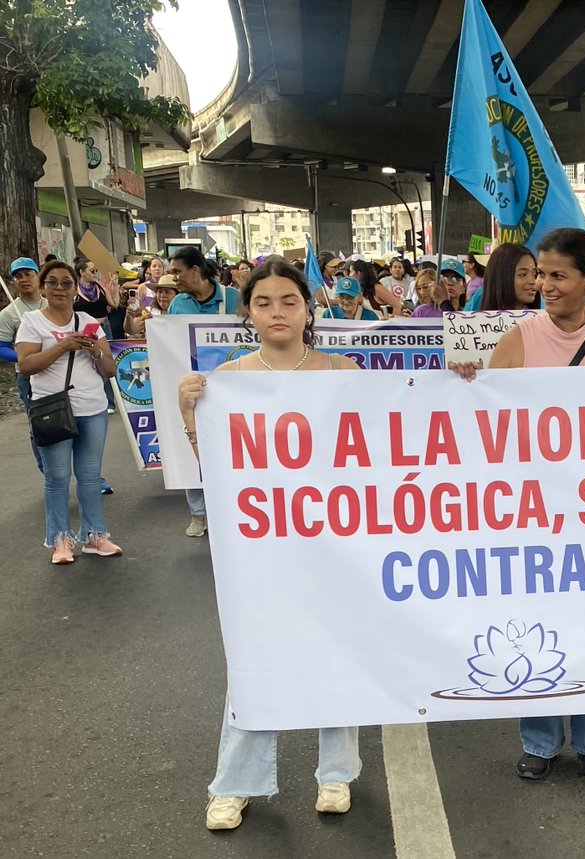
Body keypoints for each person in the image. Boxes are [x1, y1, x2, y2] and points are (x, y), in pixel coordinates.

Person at [449, 228, 585, 782]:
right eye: (540, 274)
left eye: (559, 275)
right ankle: (539, 741)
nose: (545, 285)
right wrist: (468, 380)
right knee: (531, 623)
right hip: (531, 514)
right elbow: (484, 419)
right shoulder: (518, 339)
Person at [178, 260, 361, 832]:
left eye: (288, 300)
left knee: (339, 654)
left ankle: (336, 774)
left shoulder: (344, 371)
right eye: (263, 303)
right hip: (261, 552)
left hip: (336, 545)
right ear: (247, 312)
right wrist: (191, 412)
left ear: (309, 308)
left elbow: (384, 452)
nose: (277, 312)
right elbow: (218, 471)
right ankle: (234, 784)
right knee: (254, 662)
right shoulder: (227, 380)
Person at [15, 261, 122, 565]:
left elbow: (110, 370)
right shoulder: (32, 322)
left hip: (92, 408)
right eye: (53, 283)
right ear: (43, 287)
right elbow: (26, 365)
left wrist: (95, 351)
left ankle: (95, 535)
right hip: (52, 408)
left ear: (76, 289)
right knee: (57, 477)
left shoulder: (88, 320)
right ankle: (60, 540)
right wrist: (63, 347)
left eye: (66, 283)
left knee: (89, 477)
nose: (60, 288)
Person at [168, 246, 241, 537]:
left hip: (229, 389)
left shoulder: (233, 298)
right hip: (193, 387)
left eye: (177, 271)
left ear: (195, 271)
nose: (174, 278)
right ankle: (198, 514)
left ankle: (231, 510)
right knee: (192, 444)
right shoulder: (178, 304)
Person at [1, 257, 48, 471]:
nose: (23, 279)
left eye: (28, 274)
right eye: (18, 276)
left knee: (75, 420)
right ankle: (47, 472)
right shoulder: (9, 314)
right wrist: (23, 357)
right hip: (28, 377)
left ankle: (88, 474)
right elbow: (1, 347)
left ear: (38, 276)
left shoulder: (52, 303)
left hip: (60, 370)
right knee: (38, 425)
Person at [73, 257, 120, 414]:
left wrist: (115, 286)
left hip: (103, 326)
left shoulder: (100, 287)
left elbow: (114, 304)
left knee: (106, 360)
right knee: (88, 362)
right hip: (84, 329)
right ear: (82, 272)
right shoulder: (74, 290)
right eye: (92, 271)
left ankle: (110, 401)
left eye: (96, 270)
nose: (95, 273)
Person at [476, 243, 540, 312]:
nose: (533, 281)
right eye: (523, 274)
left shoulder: (541, 320)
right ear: (501, 278)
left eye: (535, 275)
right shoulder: (477, 318)